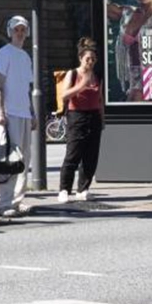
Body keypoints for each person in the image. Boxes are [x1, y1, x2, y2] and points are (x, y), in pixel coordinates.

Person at [0, 15, 34, 217]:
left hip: (24, 113)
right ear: (10, 32)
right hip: (9, 114)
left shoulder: (25, 57)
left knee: (24, 160)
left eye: (23, 29)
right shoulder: (3, 54)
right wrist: (0, 112)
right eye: (16, 29)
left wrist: (32, 113)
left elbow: (27, 88)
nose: (20, 33)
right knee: (9, 159)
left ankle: (17, 201)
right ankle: (5, 203)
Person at [58, 38, 105, 203]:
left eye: (93, 59)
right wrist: (81, 85)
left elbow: (100, 99)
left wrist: (102, 118)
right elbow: (64, 95)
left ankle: (83, 189)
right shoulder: (72, 74)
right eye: (87, 59)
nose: (90, 62)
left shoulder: (98, 76)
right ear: (80, 58)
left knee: (91, 156)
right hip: (77, 116)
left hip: (94, 116)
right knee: (73, 154)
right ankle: (64, 189)